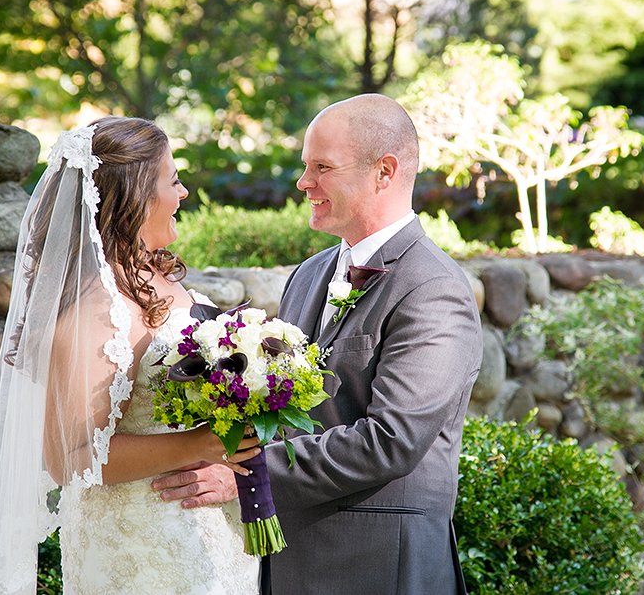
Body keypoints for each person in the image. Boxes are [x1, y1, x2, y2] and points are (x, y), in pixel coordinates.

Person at [153, 95, 483, 594]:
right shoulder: (309, 275)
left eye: (322, 167)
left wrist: (249, 476)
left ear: (385, 172)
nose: (304, 183)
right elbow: (286, 409)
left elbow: (390, 440)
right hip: (291, 561)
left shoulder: (433, 288)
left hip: (380, 565)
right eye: (306, 166)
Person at [0, 116, 261, 595]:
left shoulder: (161, 280)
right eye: (174, 180)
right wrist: (199, 446)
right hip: (143, 552)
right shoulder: (93, 313)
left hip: (209, 540)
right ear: (135, 194)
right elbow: (69, 459)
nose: (183, 194)